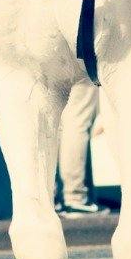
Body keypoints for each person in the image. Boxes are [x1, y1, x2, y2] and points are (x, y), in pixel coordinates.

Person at [56, 80, 100, 214]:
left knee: (52, 126)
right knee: (77, 119)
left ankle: (49, 199)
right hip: (78, 62)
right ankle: (74, 197)